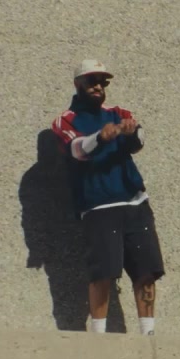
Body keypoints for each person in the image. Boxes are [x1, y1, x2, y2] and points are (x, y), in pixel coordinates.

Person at [50, 59, 165, 336]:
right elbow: (77, 150)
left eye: (103, 82)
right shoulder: (65, 120)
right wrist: (101, 137)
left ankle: (148, 334)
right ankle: (98, 336)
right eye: (92, 81)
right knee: (102, 273)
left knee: (145, 271)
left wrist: (132, 133)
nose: (98, 87)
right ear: (78, 84)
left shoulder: (118, 112)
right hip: (98, 207)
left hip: (135, 202)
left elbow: (138, 141)